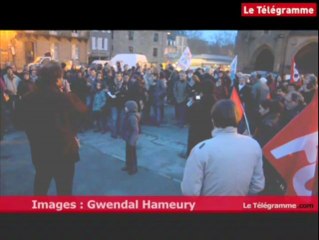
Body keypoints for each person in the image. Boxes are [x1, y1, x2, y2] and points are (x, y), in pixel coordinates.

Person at [14, 61, 87, 195]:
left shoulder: (27, 99)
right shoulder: (62, 98)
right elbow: (82, 112)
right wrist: (69, 92)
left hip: (40, 152)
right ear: (57, 79)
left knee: (41, 187)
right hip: (63, 154)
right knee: (64, 192)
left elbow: (18, 122)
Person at [181, 99, 265, 195]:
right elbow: (258, 185)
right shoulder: (253, 145)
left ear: (213, 121)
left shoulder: (201, 150)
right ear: (237, 119)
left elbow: (190, 192)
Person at [121, 100, 140, 175]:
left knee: (132, 154)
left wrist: (132, 140)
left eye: (126, 107)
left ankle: (133, 168)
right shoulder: (128, 115)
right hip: (128, 137)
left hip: (131, 139)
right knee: (128, 153)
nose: (125, 108)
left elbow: (135, 130)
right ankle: (128, 166)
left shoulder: (132, 117)